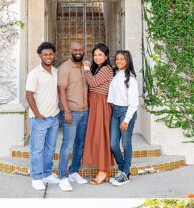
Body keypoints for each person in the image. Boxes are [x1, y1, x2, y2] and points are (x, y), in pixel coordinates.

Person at [26, 41, 60, 191]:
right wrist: (38, 114)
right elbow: (29, 95)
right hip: (39, 119)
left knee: (50, 148)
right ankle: (36, 177)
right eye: (45, 54)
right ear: (40, 55)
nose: (48, 56)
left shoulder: (56, 72)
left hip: (54, 117)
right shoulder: (34, 73)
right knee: (37, 149)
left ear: (54, 55)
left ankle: (47, 173)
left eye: (50, 54)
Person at [57, 39, 90, 191]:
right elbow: (61, 91)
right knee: (67, 145)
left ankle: (74, 171)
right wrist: (67, 111)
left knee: (80, 143)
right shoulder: (65, 68)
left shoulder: (85, 66)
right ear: (70, 51)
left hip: (85, 112)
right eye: (75, 50)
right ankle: (63, 176)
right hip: (71, 112)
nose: (78, 52)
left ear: (83, 50)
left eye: (80, 50)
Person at [82, 43, 114, 185]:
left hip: (101, 105)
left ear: (106, 56)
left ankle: (104, 170)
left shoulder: (106, 69)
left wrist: (86, 69)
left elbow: (93, 83)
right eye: (95, 55)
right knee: (96, 136)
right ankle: (102, 169)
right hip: (95, 104)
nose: (97, 57)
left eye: (100, 54)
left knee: (102, 137)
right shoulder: (99, 68)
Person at [107, 49, 139, 186]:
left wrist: (126, 120)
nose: (119, 61)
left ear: (127, 61)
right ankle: (123, 170)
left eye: (122, 59)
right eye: (117, 59)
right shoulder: (114, 75)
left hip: (127, 112)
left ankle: (125, 172)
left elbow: (134, 103)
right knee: (113, 144)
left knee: (125, 144)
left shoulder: (131, 79)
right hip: (115, 111)